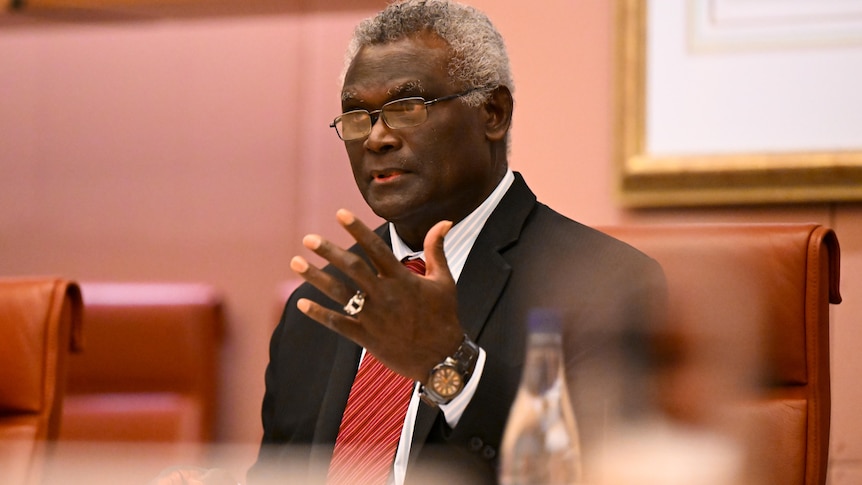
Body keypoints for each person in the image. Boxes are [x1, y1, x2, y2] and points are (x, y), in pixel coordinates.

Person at [250, 1, 666, 484]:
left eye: (406, 109)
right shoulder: (319, 302)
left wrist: (450, 367)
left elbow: (595, 472)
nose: (376, 138)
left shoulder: (603, 284)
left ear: (493, 112)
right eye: (357, 115)